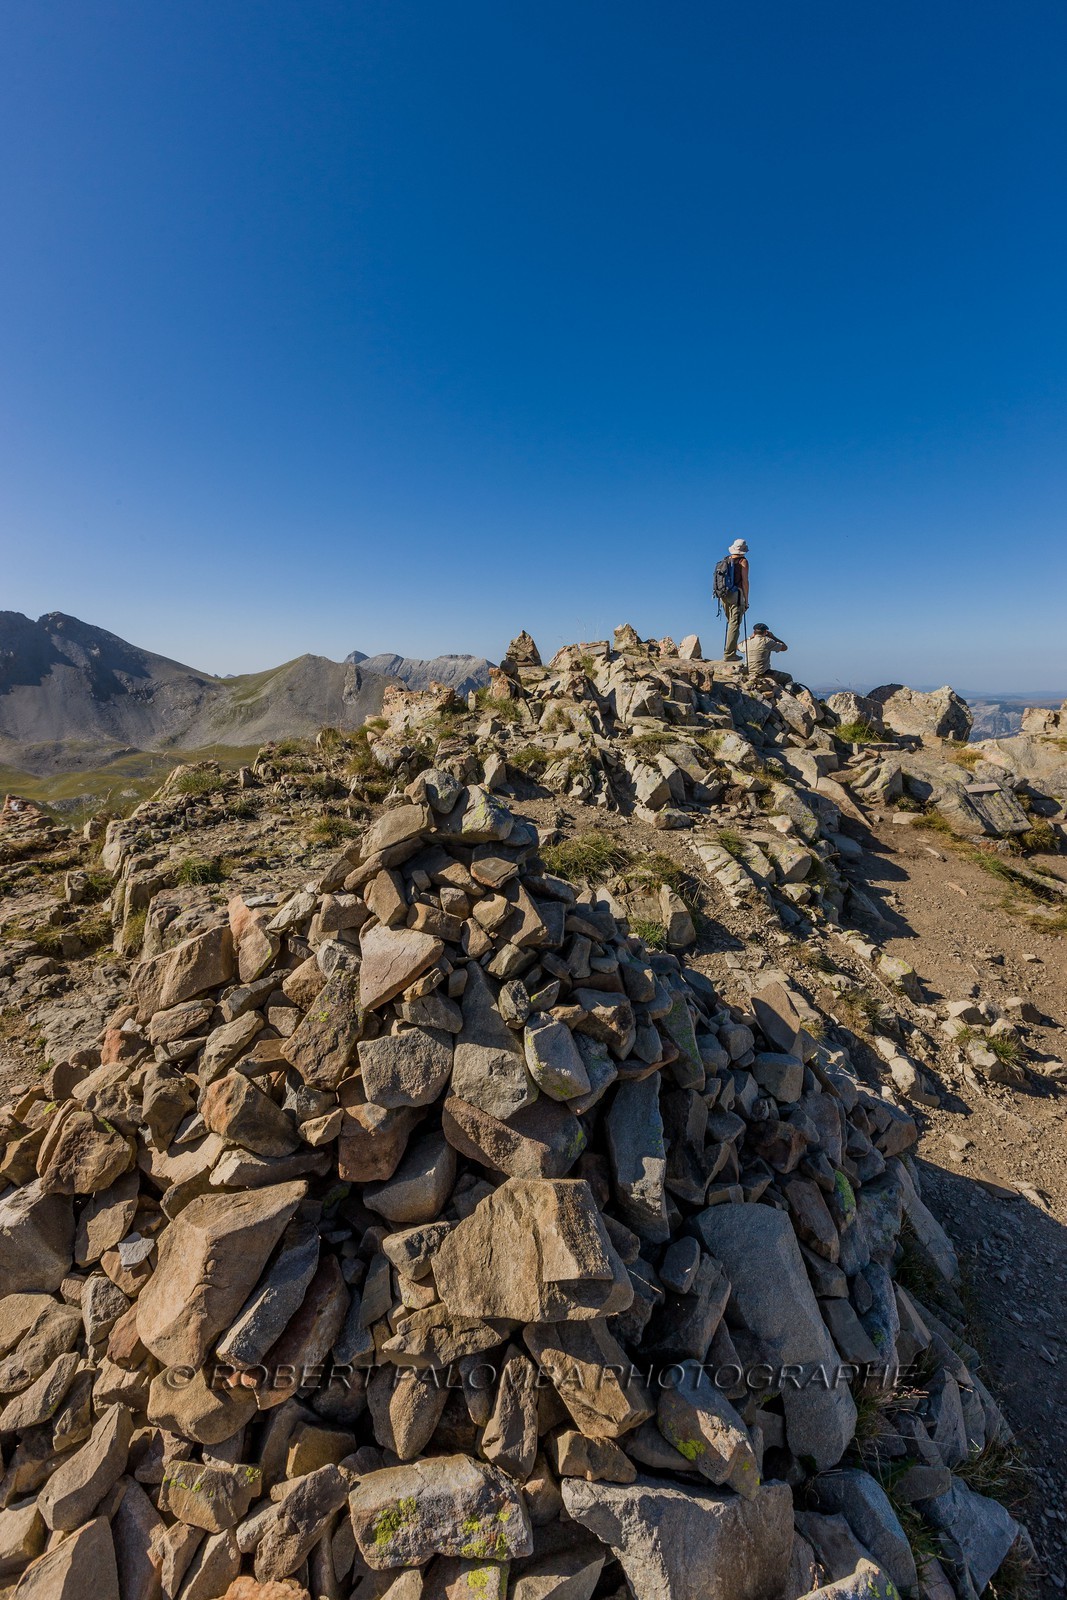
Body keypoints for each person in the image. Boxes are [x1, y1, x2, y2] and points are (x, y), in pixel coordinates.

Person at [720, 538, 749, 662]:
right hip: (736, 594)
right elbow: (745, 582)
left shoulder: (726, 560)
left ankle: (728, 651)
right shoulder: (743, 561)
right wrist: (746, 600)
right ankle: (729, 654)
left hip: (723, 595)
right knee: (735, 624)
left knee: (731, 622)